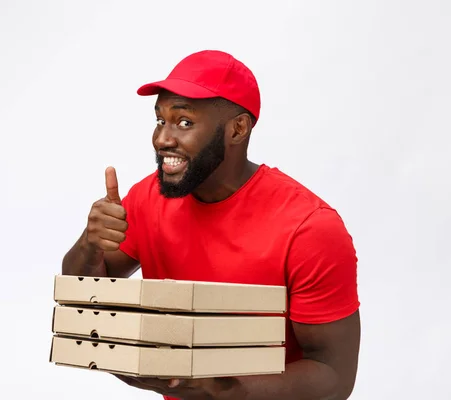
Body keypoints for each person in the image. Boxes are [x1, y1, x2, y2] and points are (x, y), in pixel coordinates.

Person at [61, 50, 361, 400]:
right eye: (160, 120)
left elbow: (334, 376)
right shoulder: (146, 198)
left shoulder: (309, 229)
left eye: (184, 122)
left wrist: (222, 390)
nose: (162, 139)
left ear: (237, 129)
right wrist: (90, 243)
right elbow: (83, 301)